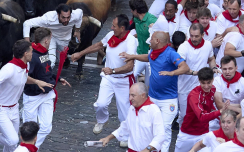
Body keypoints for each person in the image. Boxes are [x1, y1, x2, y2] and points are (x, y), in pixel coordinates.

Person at [72, 14, 136, 147]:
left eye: (114, 26)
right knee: (101, 104)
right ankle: (102, 120)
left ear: (122, 28)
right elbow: (98, 45)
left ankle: (126, 135)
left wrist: (113, 70)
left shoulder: (131, 41)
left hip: (123, 80)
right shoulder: (111, 35)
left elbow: (130, 66)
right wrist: (80, 53)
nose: (111, 28)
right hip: (108, 78)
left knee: (124, 111)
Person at [120, 31, 190, 152]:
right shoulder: (154, 52)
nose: (149, 41)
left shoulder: (171, 54)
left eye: (151, 39)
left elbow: (185, 67)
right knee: (150, 127)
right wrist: (133, 56)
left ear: (157, 41)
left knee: (164, 128)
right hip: (152, 98)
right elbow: (147, 57)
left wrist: (171, 73)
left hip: (168, 100)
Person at [23, 28, 71, 149]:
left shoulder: (44, 52)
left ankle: (32, 149)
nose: (50, 42)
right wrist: (37, 82)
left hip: (46, 95)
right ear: (46, 41)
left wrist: (57, 79)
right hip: (32, 97)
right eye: (50, 39)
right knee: (30, 130)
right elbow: (23, 76)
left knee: (46, 127)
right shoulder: (31, 56)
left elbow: (45, 71)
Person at [174, 68, 229, 152]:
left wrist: (219, 115)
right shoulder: (194, 95)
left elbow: (209, 106)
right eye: (203, 83)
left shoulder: (213, 89)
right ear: (199, 81)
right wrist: (220, 112)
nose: (206, 86)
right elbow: (202, 117)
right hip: (187, 134)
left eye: (209, 82)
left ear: (213, 80)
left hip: (203, 133)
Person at [99, 82, 165, 151]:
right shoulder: (132, 108)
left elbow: (160, 136)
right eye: (129, 95)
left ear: (143, 95)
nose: (130, 98)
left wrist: (147, 149)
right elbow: (125, 127)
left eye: (133, 95)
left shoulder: (154, 110)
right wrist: (108, 138)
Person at [176, 23, 217, 126]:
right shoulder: (183, 47)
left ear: (202, 35)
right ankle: (183, 134)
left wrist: (214, 67)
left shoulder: (208, 45)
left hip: (203, 86)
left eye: (196, 36)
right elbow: (180, 67)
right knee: (185, 115)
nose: (193, 38)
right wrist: (194, 73)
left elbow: (211, 58)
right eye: (191, 35)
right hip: (185, 87)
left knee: (203, 113)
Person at [23, 4, 83, 68]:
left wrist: (77, 30)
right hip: (51, 38)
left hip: (64, 39)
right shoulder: (48, 18)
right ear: (58, 14)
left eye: (68, 17)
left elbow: (80, 12)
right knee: (52, 62)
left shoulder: (75, 15)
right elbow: (27, 23)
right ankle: (42, 71)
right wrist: (27, 43)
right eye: (63, 17)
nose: (66, 20)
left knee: (59, 60)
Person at [129, 0, 157, 85]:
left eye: (132, 10)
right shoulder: (136, 19)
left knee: (149, 84)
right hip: (140, 54)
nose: (130, 11)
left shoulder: (153, 21)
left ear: (136, 11)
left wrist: (154, 30)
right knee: (132, 75)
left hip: (151, 57)